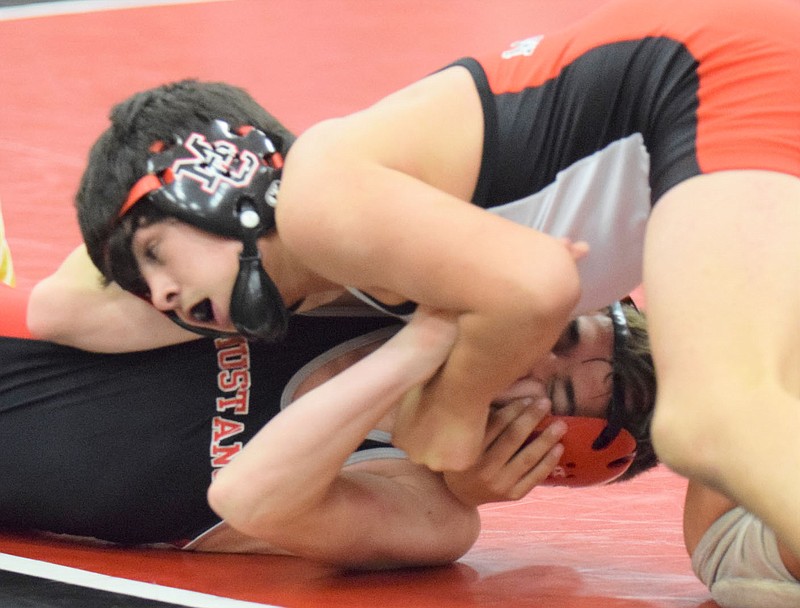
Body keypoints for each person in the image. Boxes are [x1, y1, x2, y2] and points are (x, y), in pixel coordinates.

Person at [37, 0, 800, 563]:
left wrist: (453, 411)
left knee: (712, 420)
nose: (164, 296)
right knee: (731, 552)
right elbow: (61, 308)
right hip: (713, 97)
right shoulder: (358, 268)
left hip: (711, 79)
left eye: (158, 257)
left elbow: (535, 285)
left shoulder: (316, 198)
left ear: (215, 184)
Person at [4, 275, 656, 567]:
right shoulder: (366, 292)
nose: (532, 354)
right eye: (560, 333)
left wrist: (427, 345)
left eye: (560, 388)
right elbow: (71, 303)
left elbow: (259, 502)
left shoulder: (428, 515)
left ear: (546, 450)